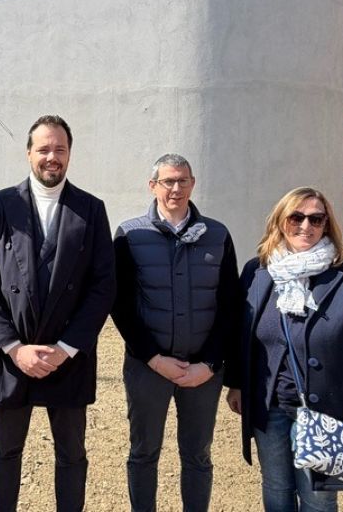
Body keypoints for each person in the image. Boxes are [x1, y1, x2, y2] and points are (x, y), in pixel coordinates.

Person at [0, 115, 116, 512]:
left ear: (69, 154)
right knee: (6, 451)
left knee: (72, 454)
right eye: (44, 149)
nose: (52, 157)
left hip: (67, 356)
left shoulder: (91, 209)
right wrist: (14, 347)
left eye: (60, 149)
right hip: (11, 357)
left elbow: (103, 285)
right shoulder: (1, 205)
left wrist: (66, 348)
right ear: (28, 153)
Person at [224, 187, 343, 511]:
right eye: (296, 217)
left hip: (329, 412)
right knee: (276, 488)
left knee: (318, 498)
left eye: (316, 219)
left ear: (327, 224)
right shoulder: (257, 271)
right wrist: (236, 383)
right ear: (280, 221)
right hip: (270, 407)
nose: (306, 226)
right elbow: (241, 333)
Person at [111, 153, 239, 512]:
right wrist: (153, 358)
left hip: (202, 372)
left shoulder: (217, 235)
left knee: (198, 455)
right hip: (147, 368)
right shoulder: (129, 234)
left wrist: (210, 364)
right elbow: (120, 305)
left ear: (193, 184)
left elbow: (230, 305)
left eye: (183, 180)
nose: (176, 188)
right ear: (153, 186)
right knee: (143, 452)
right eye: (168, 181)